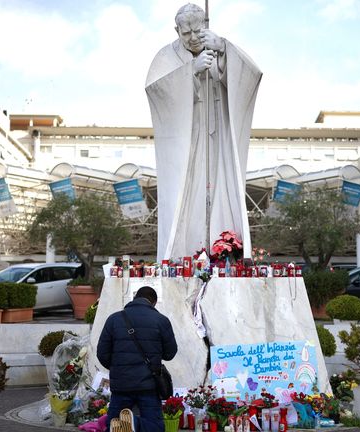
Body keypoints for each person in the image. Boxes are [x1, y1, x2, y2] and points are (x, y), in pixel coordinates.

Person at [146, 3, 261, 261]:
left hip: (217, 137)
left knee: (221, 186)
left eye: (197, 31)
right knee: (185, 194)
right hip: (186, 142)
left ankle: (223, 249)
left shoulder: (218, 45)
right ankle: (183, 253)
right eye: (185, 34)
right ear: (176, 30)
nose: (193, 38)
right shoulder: (165, 56)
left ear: (205, 25)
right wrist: (191, 72)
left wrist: (224, 51)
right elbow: (156, 91)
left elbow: (251, 76)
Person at [97, 286, 178, 432]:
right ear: (153, 302)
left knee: (113, 425)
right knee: (155, 427)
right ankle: (135, 422)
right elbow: (170, 354)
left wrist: (118, 367)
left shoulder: (114, 319)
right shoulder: (161, 320)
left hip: (121, 384)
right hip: (148, 385)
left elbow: (102, 353)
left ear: (134, 299)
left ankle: (126, 423)